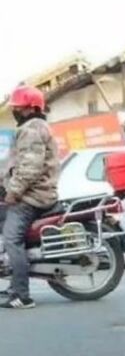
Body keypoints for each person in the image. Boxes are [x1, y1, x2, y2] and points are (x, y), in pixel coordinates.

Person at [0, 86, 60, 309]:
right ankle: (13, 281)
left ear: (31, 108)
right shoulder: (31, 127)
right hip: (33, 192)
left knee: (12, 238)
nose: (16, 111)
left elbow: (30, 168)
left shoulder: (32, 129)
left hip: (33, 197)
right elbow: (14, 165)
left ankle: (22, 296)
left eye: (19, 108)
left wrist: (12, 193)